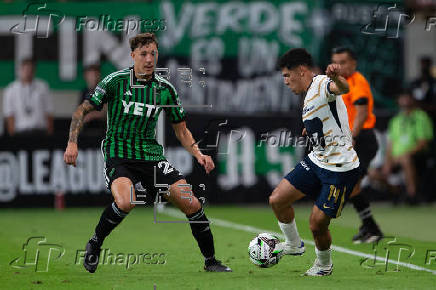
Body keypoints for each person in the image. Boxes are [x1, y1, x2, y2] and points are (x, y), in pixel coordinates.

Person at [63, 33, 231, 273]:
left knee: (191, 203)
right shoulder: (115, 81)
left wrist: (199, 154)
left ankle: (211, 261)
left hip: (151, 157)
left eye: (153, 53)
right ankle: (95, 243)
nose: (149, 59)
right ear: (132, 56)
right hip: (119, 154)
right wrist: (72, 142)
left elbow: (181, 130)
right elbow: (82, 110)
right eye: (143, 54)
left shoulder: (165, 89)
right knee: (126, 200)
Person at [270, 48, 361, 276]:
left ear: (301, 71)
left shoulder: (321, 83)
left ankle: (324, 265)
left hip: (340, 168)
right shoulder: (309, 93)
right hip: (318, 160)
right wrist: (310, 130)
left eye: (287, 75)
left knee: (317, 224)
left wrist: (335, 77)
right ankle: (293, 245)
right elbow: (323, 116)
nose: (285, 81)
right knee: (278, 199)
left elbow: (342, 88)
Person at [331, 47, 383, 244]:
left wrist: (353, 137)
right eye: (336, 62)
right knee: (353, 188)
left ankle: (371, 228)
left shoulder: (357, 81)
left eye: (343, 62)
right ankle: (370, 228)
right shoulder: (338, 83)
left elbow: (361, 112)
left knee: (350, 186)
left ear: (353, 63)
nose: (340, 66)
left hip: (361, 140)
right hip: (352, 140)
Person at [383, 90, 434, 204]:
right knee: (373, 173)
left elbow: (423, 142)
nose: (404, 101)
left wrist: (407, 154)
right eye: (402, 98)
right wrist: (388, 161)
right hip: (396, 158)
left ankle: (412, 195)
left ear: (412, 100)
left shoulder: (421, 116)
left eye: (407, 98)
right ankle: (398, 193)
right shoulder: (395, 120)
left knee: (406, 159)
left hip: (417, 156)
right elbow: (390, 145)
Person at [3, 58, 53, 136]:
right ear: (20, 70)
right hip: (20, 131)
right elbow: (9, 115)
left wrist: (49, 134)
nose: (28, 72)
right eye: (26, 69)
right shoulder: (11, 89)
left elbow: (49, 111)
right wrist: (12, 137)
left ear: (34, 71)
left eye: (31, 70)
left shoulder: (43, 87)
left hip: (40, 131)